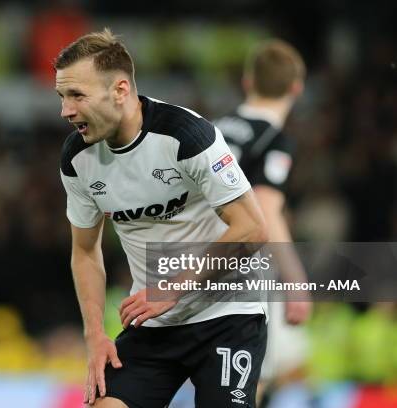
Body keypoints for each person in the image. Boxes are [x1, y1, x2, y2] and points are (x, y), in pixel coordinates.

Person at [56, 28, 269, 408]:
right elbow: (85, 252)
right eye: (62, 96)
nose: (66, 111)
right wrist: (94, 336)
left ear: (120, 90)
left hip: (227, 313)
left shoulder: (186, 135)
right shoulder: (77, 159)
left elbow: (253, 228)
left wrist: (175, 286)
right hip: (154, 322)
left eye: (77, 95)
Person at [214, 39, 312, 402]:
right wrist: (296, 280)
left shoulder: (211, 129)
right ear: (296, 88)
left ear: (247, 81)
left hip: (190, 262)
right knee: (249, 383)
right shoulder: (275, 140)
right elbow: (267, 211)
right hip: (243, 271)